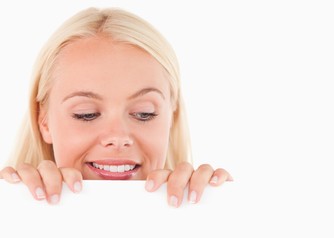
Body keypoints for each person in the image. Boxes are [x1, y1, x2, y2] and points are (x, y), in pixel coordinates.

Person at [0, 7, 232, 207]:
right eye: (87, 114)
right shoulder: (10, 208)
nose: (118, 137)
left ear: (172, 119)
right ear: (44, 122)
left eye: (144, 114)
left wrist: (218, 209)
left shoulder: (203, 206)